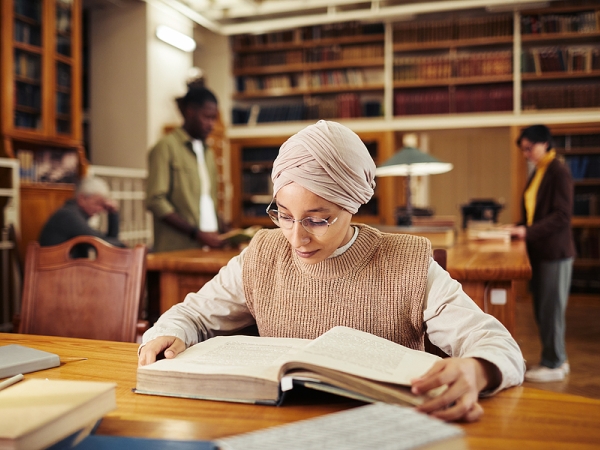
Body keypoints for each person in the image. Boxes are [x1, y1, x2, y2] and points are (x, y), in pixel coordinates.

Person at [139, 120, 525, 422]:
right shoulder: (263, 253)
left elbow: (498, 345)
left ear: (352, 206)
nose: (296, 238)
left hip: (385, 430)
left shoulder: (406, 263)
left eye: (318, 220)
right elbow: (191, 313)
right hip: (279, 427)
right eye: (284, 216)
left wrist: (477, 371)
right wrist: (168, 333)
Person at [507, 125, 575, 383]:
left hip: (555, 253)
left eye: (528, 147)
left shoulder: (558, 170)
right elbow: (534, 212)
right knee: (544, 308)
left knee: (551, 310)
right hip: (541, 251)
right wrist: (518, 227)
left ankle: (554, 362)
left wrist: (526, 232)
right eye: (523, 149)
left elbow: (561, 215)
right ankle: (558, 358)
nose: (526, 153)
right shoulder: (541, 170)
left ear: (544, 143)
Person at [146, 84, 223, 253]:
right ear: (190, 111)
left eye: (214, 118)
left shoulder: (208, 152)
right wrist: (195, 233)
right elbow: (156, 200)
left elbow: (206, 200)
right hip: (177, 249)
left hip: (209, 247)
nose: (211, 124)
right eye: (206, 117)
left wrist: (223, 228)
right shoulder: (165, 148)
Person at [39, 176, 126, 254]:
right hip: (56, 270)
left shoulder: (73, 213)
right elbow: (103, 244)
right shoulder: (68, 216)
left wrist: (112, 213)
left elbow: (108, 243)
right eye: (97, 203)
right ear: (82, 199)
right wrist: (122, 245)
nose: (100, 209)